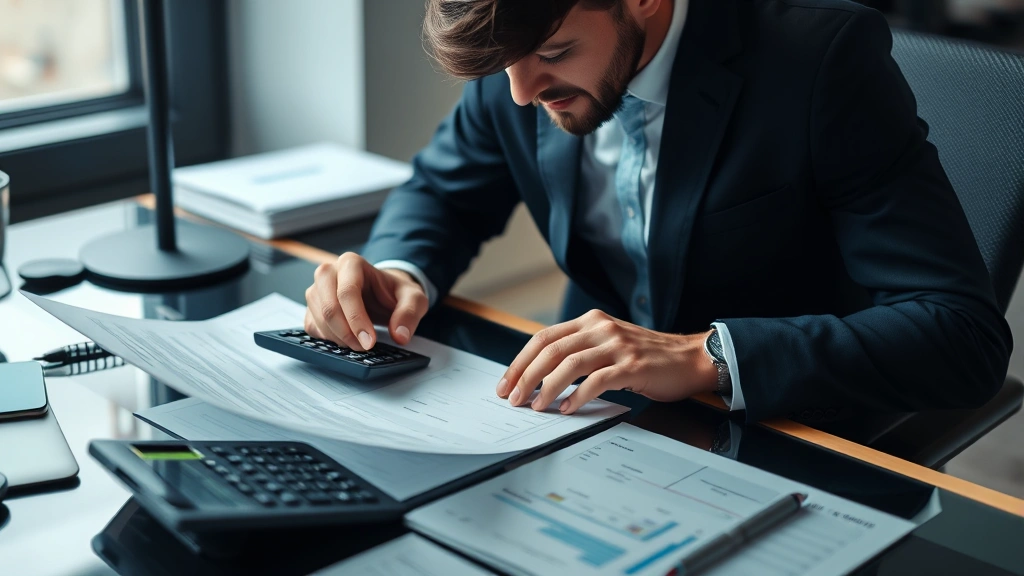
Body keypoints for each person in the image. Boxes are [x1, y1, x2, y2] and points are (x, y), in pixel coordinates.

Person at [304, 0, 1012, 424]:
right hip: (584, 411)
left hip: (784, 428)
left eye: (553, 52)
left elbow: (959, 335)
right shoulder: (518, 64)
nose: (520, 95)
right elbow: (442, 194)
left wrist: (707, 355)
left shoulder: (820, 62)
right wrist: (398, 272)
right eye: (505, 69)